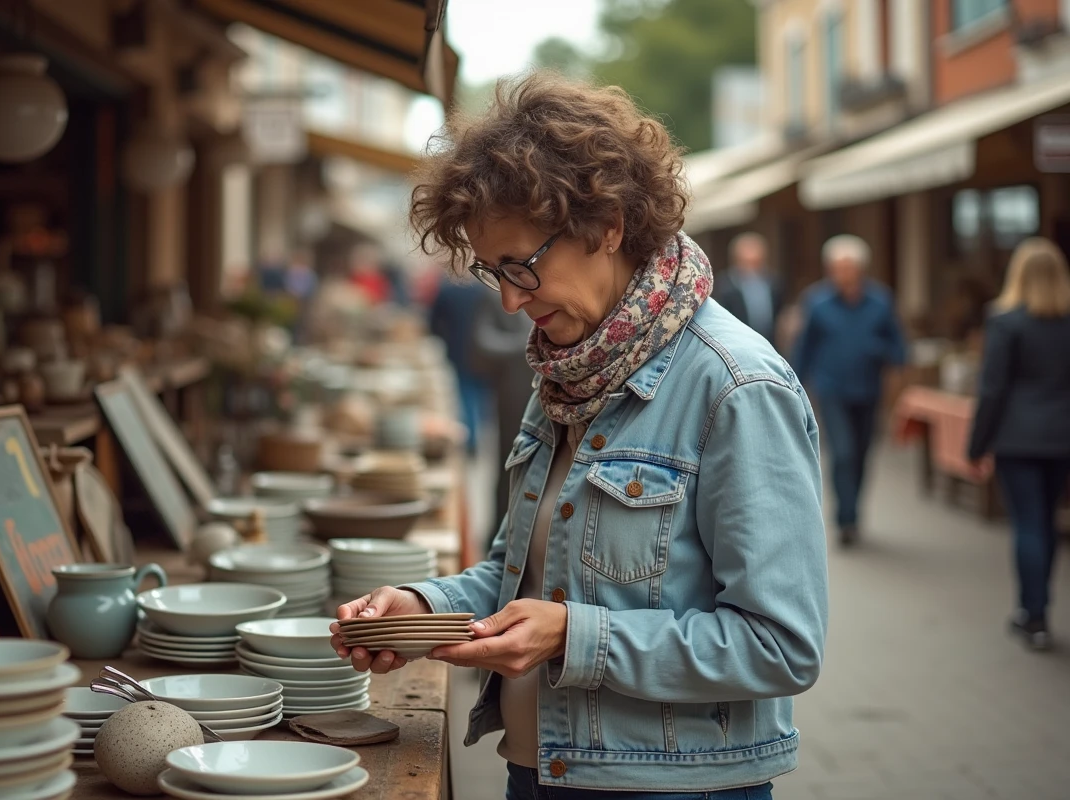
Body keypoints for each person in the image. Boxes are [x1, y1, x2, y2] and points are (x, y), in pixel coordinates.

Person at [329, 72, 828, 799]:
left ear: (607, 226)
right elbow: (519, 572)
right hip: (539, 773)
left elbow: (781, 646)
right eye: (490, 272)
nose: (506, 300)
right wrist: (422, 605)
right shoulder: (568, 367)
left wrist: (575, 635)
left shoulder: (738, 386)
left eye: (522, 268)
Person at [967, 238, 1070, 651]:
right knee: (1046, 521)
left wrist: (977, 444)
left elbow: (992, 389)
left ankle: (1033, 613)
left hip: (1017, 436)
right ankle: (1040, 608)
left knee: (1028, 524)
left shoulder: (1006, 321)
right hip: (1061, 437)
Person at [792, 235, 907, 547]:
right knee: (842, 453)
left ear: (860, 269)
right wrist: (794, 386)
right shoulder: (816, 302)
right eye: (836, 268)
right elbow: (805, 348)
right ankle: (846, 518)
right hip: (832, 389)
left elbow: (898, 347)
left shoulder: (880, 301)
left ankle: (854, 508)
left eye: (847, 268)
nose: (841, 274)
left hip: (868, 390)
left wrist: (880, 351)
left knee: (861, 454)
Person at [470, 290, 534, 540]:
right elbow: (482, 342)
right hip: (513, 399)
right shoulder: (496, 297)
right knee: (509, 469)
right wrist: (526, 344)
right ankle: (500, 535)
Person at [429, 274, 492, 454]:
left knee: (466, 394)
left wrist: (444, 337)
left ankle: (471, 438)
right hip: (483, 351)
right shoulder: (483, 290)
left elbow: (433, 322)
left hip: (458, 349)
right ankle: (479, 433)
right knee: (480, 393)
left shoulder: (447, 290)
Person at [712, 232, 783, 345]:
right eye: (746, 263)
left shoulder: (774, 284)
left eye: (756, 263)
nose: (751, 270)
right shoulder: (725, 286)